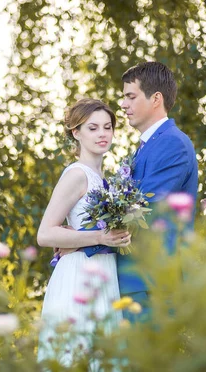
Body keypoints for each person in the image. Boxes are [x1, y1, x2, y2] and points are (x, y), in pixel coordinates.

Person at [36, 98, 131, 366]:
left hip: (104, 274)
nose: (102, 134)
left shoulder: (107, 180)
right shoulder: (77, 175)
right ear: (76, 133)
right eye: (93, 128)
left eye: (107, 127)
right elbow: (45, 233)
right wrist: (99, 238)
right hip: (79, 275)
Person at [117, 61, 199, 322]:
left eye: (131, 97)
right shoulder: (147, 146)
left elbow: (139, 210)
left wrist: (79, 242)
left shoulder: (172, 144)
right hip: (139, 280)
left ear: (156, 99)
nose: (123, 104)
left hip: (153, 283)